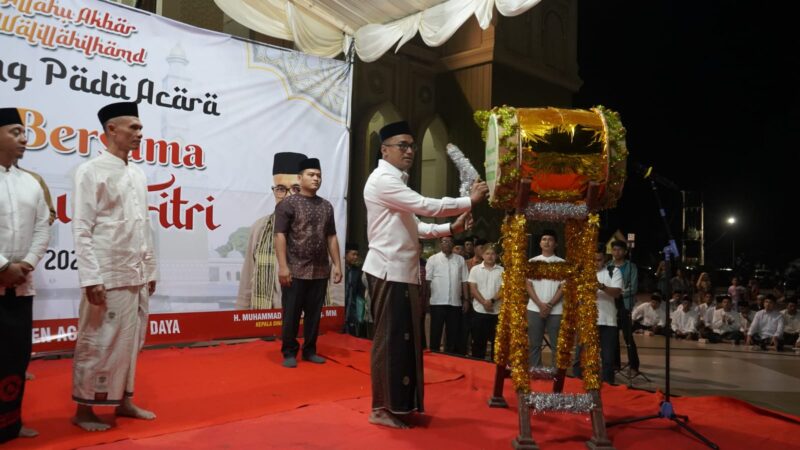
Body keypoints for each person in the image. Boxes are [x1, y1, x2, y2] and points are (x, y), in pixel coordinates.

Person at [362, 120, 486, 428]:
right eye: (402, 145)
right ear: (384, 149)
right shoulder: (382, 180)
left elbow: (415, 226)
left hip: (402, 272)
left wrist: (452, 227)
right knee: (390, 341)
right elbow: (424, 205)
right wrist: (468, 201)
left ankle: (399, 405)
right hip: (388, 271)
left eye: (412, 145)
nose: (409, 151)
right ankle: (381, 408)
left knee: (405, 342)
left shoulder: (396, 182)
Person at [71, 102, 158, 431]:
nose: (139, 133)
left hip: (135, 271)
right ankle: (84, 410)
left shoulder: (138, 173)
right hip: (106, 272)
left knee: (131, 340)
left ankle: (123, 400)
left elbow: (143, 226)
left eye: (140, 127)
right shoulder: (91, 171)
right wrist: (91, 277)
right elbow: (82, 227)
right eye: (133, 127)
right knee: (97, 340)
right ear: (112, 130)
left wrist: (150, 270)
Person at [0, 107, 49, 442]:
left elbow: (43, 227)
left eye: (24, 133)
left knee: (16, 357)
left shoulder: (30, 182)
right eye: (15, 132)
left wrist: (26, 264)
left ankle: (10, 424)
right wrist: (3, 266)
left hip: (21, 285)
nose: (23, 139)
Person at [275, 157, 342, 368]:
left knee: (314, 315)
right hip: (295, 269)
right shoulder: (288, 204)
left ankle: (310, 350)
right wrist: (283, 266)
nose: (316, 179)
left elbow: (331, 236)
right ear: (300, 177)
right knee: (292, 314)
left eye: (319, 175)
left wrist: (338, 264)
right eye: (311, 175)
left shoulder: (327, 206)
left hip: (320, 270)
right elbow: (280, 235)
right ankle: (289, 351)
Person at [236, 152, 307, 310]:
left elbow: (333, 287)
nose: (288, 196)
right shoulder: (260, 228)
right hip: (265, 324)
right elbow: (246, 283)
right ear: (274, 190)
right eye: (281, 189)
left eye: (295, 189)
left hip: (305, 324)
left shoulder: (318, 229)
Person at [574, 250, 622, 384]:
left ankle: (608, 389)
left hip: (608, 322)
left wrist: (600, 286)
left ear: (605, 260)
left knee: (607, 360)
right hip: (586, 321)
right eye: (593, 260)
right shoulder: (582, 274)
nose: (595, 263)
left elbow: (617, 293)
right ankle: (578, 385)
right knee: (580, 357)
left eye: (599, 260)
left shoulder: (613, 272)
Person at [526, 229, 564, 368]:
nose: (547, 242)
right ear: (540, 243)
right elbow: (528, 285)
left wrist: (549, 305)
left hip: (556, 310)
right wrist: (540, 304)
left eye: (550, 239)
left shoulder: (562, 263)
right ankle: (535, 369)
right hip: (534, 308)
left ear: (556, 244)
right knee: (535, 343)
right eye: (544, 239)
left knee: (556, 344)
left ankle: (556, 372)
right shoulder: (532, 261)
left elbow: (562, 287)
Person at [426, 236, 468, 353]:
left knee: (452, 333)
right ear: (440, 244)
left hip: (455, 303)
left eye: (450, 242)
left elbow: (464, 280)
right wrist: (426, 300)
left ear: (453, 244)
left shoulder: (460, 260)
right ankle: (434, 355)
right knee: (435, 332)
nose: (447, 244)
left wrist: (466, 299)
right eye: (444, 241)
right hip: (437, 302)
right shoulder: (432, 259)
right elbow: (428, 281)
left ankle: (450, 357)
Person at [607, 240, 640, 373]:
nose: (616, 252)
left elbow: (633, 287)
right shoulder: (608, 266)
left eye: (619, 250)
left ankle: (634, 365)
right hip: (610, 304)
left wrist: (617, 292)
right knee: (613, 335)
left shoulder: (631, 267)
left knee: (628, 336)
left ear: (625, 252)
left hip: (625, 304)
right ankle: (615, 364)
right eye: (614, 250)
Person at [467, 243, 503, 359]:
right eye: (487, 253)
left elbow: (504, 289)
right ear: (482, 255)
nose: (490, 256)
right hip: (479, 311)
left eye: (493, 254)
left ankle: (494, 368)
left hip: (496, 311)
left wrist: (491, 301)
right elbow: (473, 289)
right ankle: (478, 367)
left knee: (496, 344)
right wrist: (484, 302)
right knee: (478, 343)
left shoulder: (502, 271)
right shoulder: (475, 269)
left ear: (496, 256)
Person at [343, 242, 369, 336]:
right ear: (346, 254)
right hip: (340, 309)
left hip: (352, 311)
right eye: (353, 254)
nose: (355, 257)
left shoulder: (357, 271)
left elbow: (360, 292)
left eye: (357, 255)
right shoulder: (340, 270)